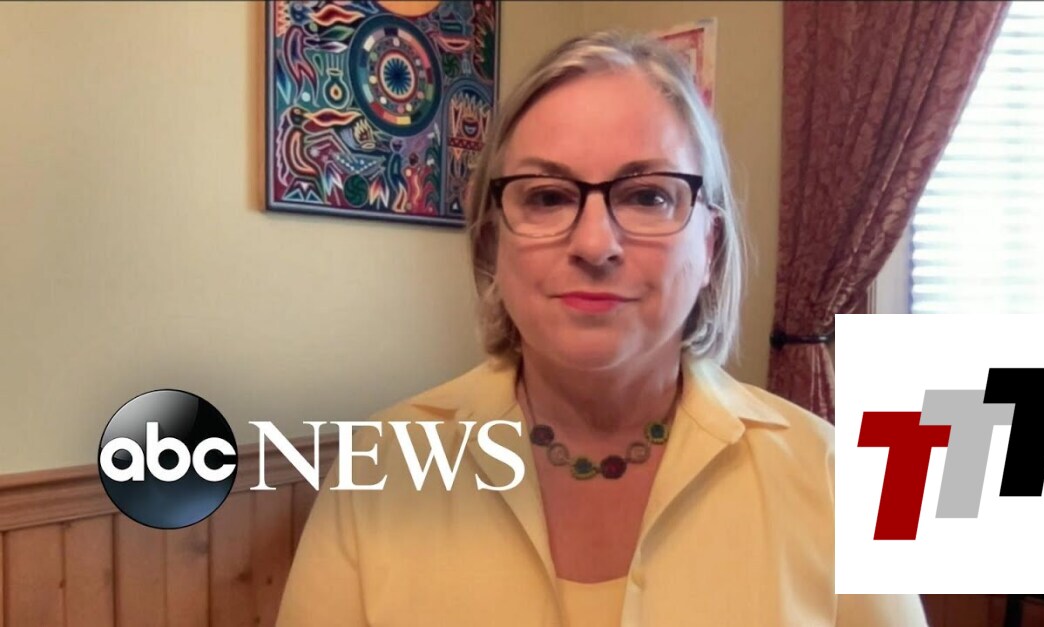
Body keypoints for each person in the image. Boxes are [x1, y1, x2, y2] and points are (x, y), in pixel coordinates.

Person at [276, 30, 928, 626]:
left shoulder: (834, 480)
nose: (594, 244)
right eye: (546, 196)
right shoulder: (379, 472)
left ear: (710, 245)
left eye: (648, 196)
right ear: (492, 242)